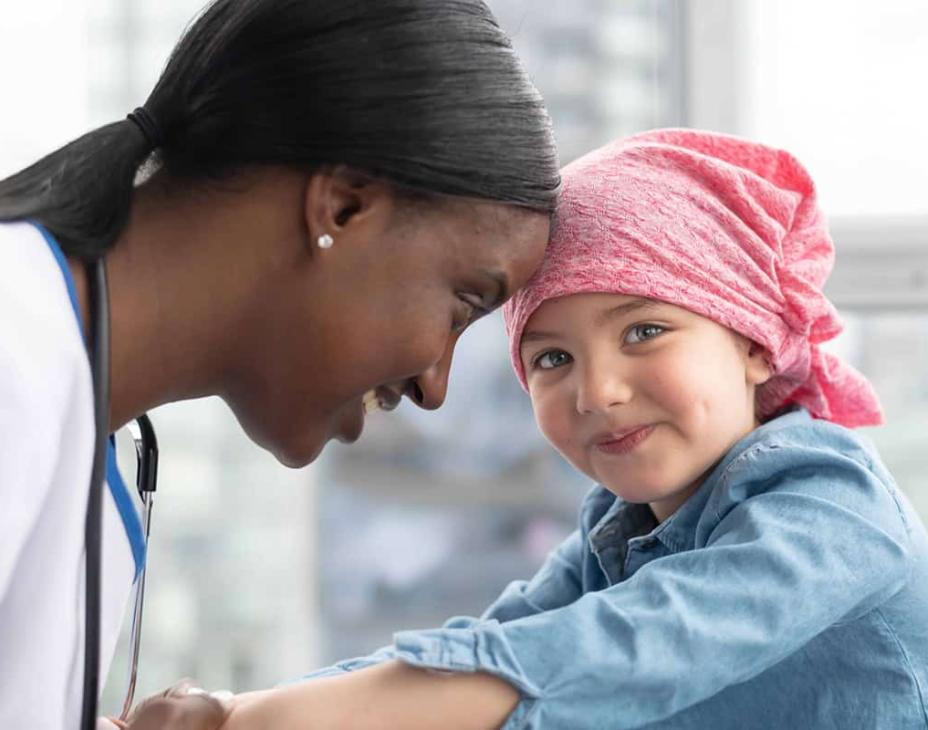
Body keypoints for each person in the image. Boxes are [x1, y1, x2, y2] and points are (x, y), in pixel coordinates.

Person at [204, 130, 928, 729]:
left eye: (645, 330)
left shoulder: (833, 510)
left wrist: (250, 724)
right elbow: (492, 649)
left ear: (754, 342)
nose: (599, 391)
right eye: (552, 357)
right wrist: (232, 708)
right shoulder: (620, 531)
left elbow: (615, 650)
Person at [0, 0, 560, 726]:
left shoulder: (79, 410)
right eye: (463, 303)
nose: (434, 386)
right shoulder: (15, 353)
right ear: (345, 207)